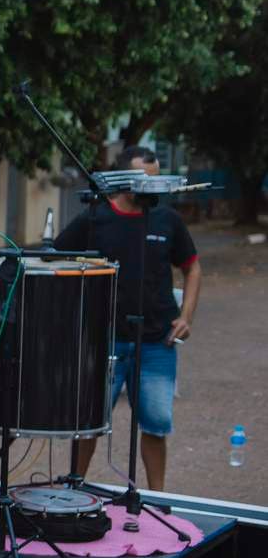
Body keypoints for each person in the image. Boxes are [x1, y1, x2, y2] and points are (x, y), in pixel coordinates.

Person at [56, 145, 201, 491]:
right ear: (123, 177)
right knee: (87, 424)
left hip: (158, 342)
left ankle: (156, 499)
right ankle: (74, 491)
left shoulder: (167, 219)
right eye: (143, 180)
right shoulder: (95, 218)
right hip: (103, 341)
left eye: (155, 180)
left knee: (156, 425)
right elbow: (55, 258)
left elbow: (193, 267)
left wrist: (186, 316)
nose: (151, 188)